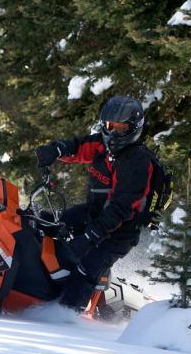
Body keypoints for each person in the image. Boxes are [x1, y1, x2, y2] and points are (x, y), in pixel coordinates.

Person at [34, 95, 154, 312]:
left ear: (133, 128)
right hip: (93, 213)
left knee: (88, 266)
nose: (114, 132)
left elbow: (121, 209)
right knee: (45, 223)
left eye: (121, 127)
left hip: (120, 231)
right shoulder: (102, 145)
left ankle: (66, 315)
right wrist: (56, 150)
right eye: (110, 126)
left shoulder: (137, 161)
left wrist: (90, 237)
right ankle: (37, 282)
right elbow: (78, 147)